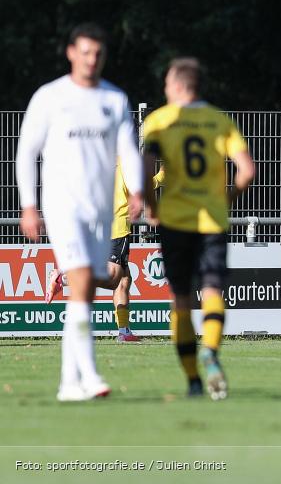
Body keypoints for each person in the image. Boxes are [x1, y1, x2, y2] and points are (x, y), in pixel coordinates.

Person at [16, 23, 143, 401]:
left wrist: (137, 190)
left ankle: (68, 383)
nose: (92, 59)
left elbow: (129, 150)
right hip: (62, 205)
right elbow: (26, 152)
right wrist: (28, 205)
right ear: (71, 52)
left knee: (84, 293)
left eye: (98, 53)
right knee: (86, 279)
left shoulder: (114, 99)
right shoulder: (50, 97)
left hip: (101, 210)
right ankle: (89, 375)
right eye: (85, 52)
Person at [142, 57, 255, 399]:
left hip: (175, 220)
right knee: (212, 292)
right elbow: (248, 171)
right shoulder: (219, 120)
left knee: (180, 300)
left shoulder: (160, 121)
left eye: (166, 83)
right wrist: (229, 198)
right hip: (212, 221)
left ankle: (193, 381)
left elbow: (144, 173)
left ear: (177, 86)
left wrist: (152, 207)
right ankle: (211, 350)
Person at [46, 161, 165, 343]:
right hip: (117, 228)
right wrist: (163, 176)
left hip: (100, 226)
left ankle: (124, 331)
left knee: (125, 280)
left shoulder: (99, 161)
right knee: (114, 278)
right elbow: (140, 188)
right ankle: (62, 278)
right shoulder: (124, 163)